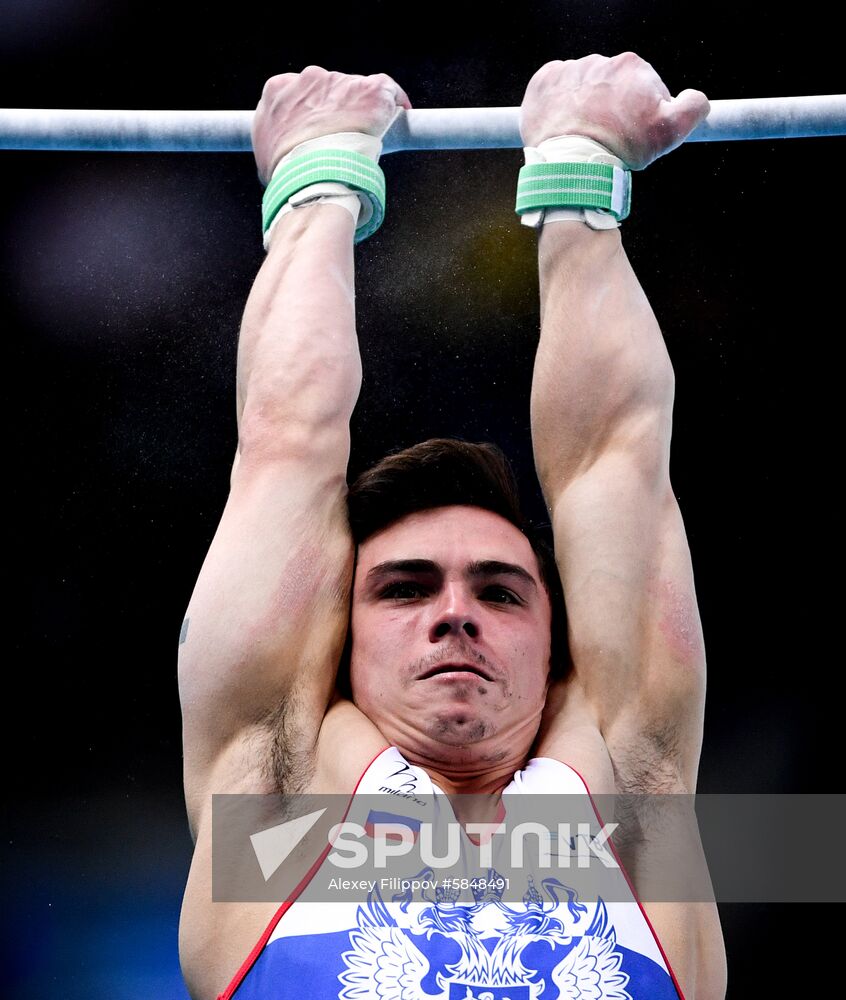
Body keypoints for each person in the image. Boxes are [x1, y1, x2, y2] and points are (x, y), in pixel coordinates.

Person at [177, 55, 727, 999]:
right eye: (406, 586)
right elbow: (286, 447)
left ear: (560, 639)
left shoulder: (632, 801)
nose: (456, 613)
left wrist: (578, 169)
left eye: (501, 590)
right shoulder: (275, 806)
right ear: (341, 641)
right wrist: (317, 181)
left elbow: (617, 461)